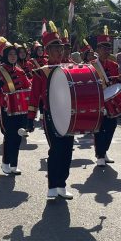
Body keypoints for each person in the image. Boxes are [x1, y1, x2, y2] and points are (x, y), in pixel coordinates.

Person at [28, 22, 75, 200]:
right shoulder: (42, 72)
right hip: (50, 115)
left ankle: (62, 185)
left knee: (67, 151)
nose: (59, 52)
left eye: (61, 48)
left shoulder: (71, 67)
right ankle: (52, 186)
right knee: (55, 150)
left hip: (69, 115)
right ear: (47, 51)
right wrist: (30, 117)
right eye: (55, 48)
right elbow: (34, 96)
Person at [0, 41, 31, 174]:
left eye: (15, 54)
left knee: (18, 136)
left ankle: (14, 165)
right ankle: (5, 163)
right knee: (9, 136)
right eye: (11, 54)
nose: (13, 56)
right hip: (6, 108)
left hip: (20, 109)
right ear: (6, 56)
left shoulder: (20, 70)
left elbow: (28, 86)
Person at [91, 27, 121, 167]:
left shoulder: (114, 65)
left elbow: (116, 83)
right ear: (98, 49)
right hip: (98, 100)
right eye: (104, 48)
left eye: (109, 48)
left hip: (112, 101)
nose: (107, 50)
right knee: (100, 127)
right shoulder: (92, 66)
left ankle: (104, 150)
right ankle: (100, 154)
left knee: (112, 126)